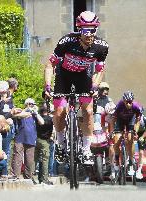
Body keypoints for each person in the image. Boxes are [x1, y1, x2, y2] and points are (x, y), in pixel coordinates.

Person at [44, 11, 109, 164]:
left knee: (87, 110)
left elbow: (100, 70)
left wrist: (94, 86)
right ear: (79, 30)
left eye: (93, 29)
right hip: (63, 75)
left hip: (83, 76)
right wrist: (47, 86)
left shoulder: (101, 47)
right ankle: (60, 144)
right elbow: (49, 65)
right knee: (60, 111)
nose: (89, 34)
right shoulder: (66, 41)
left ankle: (86, 149)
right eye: (85, 30)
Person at [109, 91, 142, 178]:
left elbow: (138, 120)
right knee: (116, 139)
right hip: (120, 122)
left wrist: (135, 131)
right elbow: (113, 120)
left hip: (130, 121)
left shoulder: (135, 106)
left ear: (132, 101)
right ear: (123, 101)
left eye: (130, 102)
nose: (128, 104)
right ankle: (116, 159)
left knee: (130, 138)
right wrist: (112, 131)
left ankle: (131, 161)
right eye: (126, 102)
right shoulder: (119, 105)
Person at [11, 98, 44, 179]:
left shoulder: (34, 115)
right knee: (17, 157)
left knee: (29, 159)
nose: (34, 106)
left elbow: (42, 122)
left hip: (31, 138)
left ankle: (28, 176)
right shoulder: (21, 112)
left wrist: (36, 113)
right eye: (32, 104)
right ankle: (15, 175)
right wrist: (26, 110)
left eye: (34, 104)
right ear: (28, 104)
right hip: (20, 138)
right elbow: (15, 116)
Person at [34, 104, 54, 185]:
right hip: (45, 141)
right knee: (45, 160)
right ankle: (44, 179)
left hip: (37, 139)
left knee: (35, 159)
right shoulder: (49, 119)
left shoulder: (37, 118)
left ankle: (34, 177)